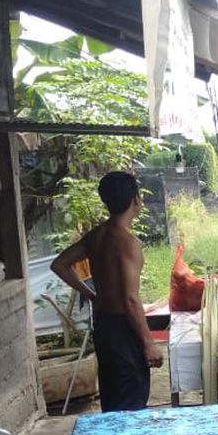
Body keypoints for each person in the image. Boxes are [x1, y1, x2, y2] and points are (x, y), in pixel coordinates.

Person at [51, 171, 163, 412]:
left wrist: (91, 294)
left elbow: (59, 264)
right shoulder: (128, 243)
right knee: (131, 401)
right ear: (136, 199)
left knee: (112, 398)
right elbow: (131, 300)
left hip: (103, 326)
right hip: (124, 328)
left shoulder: (96, 236)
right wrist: (149, 342)